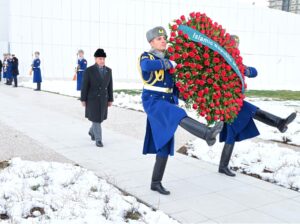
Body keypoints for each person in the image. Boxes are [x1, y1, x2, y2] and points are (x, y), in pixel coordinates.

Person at [139, 26, 224, 195]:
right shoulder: (146, 56)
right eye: (159, 39)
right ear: (151, 42)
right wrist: (167, 63)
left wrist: (192, 98)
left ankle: (155, 182)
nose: (163, 40)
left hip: (167, 100)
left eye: (164, 38)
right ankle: (207, 134)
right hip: (153, 101)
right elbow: (147, 66)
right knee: (176, 114)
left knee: (164, 142)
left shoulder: (170, 58)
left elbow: (173, 85)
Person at [218, 35, 297, 177]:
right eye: (232, 44)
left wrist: (246, 70)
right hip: (227, 102)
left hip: (235, 101)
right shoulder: (223, 61)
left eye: (236, 45)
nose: (235, 47)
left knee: (240, 123)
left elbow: (254, 72)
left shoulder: (237, 62)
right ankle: (279, 123)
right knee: (249, 114)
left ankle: (279, 123)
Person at [80, 48, 113, 148]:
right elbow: (84, 86)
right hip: (92, 99)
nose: (102, 61)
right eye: (100, 59)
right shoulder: (89, 70)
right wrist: (83, 99)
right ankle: (98, 140)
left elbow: (110, 86)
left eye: (103, 59)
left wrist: (110, 99)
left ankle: (91, 131)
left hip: (103, 99)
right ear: (95, 59)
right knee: (96, 120)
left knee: (99, 118)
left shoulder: (108, 70)